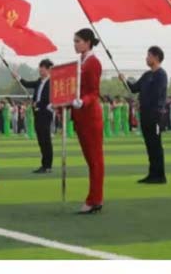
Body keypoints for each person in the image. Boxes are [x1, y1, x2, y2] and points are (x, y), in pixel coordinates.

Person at [120, 46, 168, 184]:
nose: (146, 58)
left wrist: (142, 102)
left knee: (156, 145)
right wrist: (124, 81)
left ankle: (160, 176)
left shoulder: (161, 74)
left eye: (149, 56)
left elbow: (157, 95)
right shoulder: (147, 75)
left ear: (156, 57)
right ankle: (152, 174)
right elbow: (134, 88)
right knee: (149, 145)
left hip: (155, 115)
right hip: (145, 114)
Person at [72, 28, 104, 214]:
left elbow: (93, 92)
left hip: (90, 116)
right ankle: (95, 198)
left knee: (95, 160)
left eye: (78, 41)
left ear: (88, 42)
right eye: (75, 41)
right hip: (81, 116)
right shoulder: (81, 62)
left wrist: (83, 101)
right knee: (90, 160)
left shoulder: (93, 63)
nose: (75, 44)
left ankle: (95, 199)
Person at [17, 59, 54, 173]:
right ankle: (44, 164)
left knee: (45, 139)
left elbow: (48, 98)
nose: (40, 71)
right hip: (37, 113)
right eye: (40, 69)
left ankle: (47, 166)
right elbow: (27, 84)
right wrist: (18, 77)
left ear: (48, 69)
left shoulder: (52, 82)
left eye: (42, 69)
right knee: (40, 139)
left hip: (45, 113)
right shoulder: (39, 81)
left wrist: (37, 103)